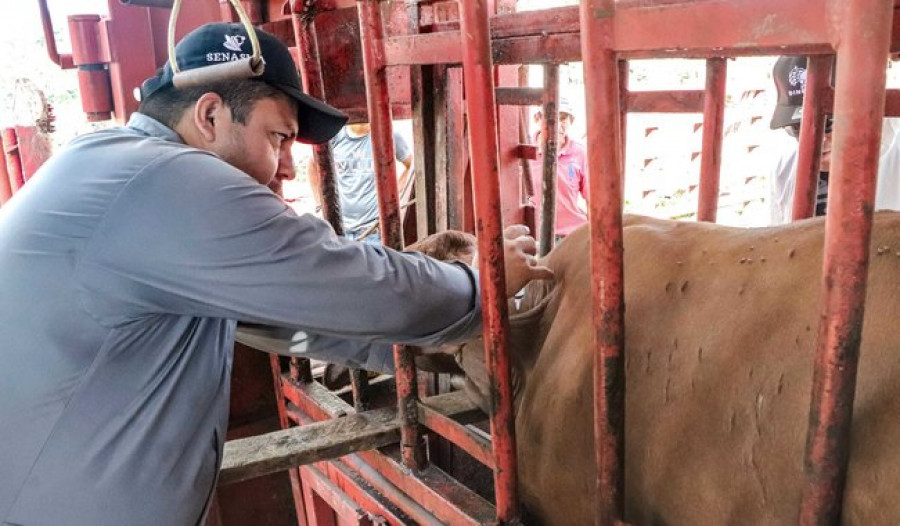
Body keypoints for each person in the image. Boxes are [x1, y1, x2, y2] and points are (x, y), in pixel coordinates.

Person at [0, 23, 552, 525]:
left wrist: (430, 347)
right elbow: (341, 281)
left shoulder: (112, 163)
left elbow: (278, 321)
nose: (287, 166)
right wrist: (482, 285)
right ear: (210, 115)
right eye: (279, 138)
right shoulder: (165, 180)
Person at [768, 56, 900, 224]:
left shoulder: (896, 151)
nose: (819, 139)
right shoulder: (784, 170)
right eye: (797, 128)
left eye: (829, 122)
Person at [308, 122, 412, 243]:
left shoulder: (388, 133)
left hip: (373, 230)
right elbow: (312, 165)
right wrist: (319, 204)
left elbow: (410, 165)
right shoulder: (335, 135)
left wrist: (393, 194)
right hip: (339, 229)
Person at [530, 97, 589, 239]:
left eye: (563, 118)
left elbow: (592, 199)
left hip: (570, 236)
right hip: (533, 235)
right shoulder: (524, 151)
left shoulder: (579, 153)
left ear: (570, 122)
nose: (557, 124)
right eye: (550, 117)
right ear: (537, 120)